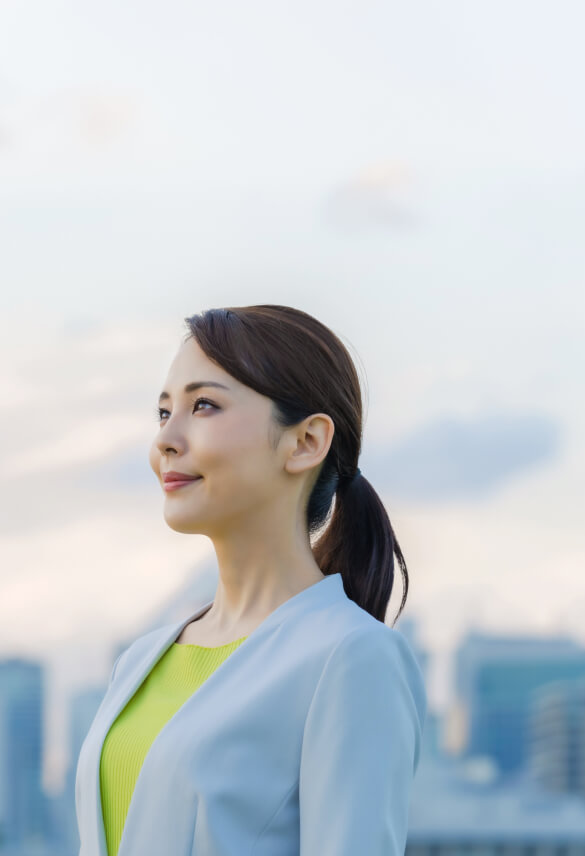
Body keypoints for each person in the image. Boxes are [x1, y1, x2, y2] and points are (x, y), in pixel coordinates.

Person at [73, 305, 427, 856]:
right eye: (163, 413)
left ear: (306, 442)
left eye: (204, 405)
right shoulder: (140, 661)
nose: (166, 439)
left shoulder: (353, 657)